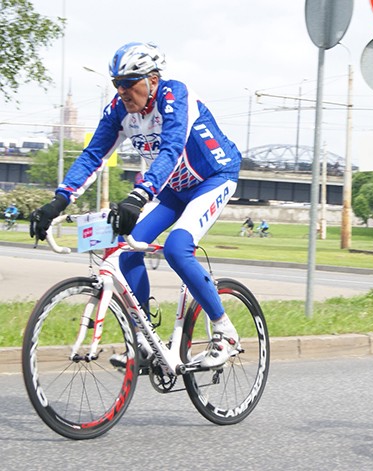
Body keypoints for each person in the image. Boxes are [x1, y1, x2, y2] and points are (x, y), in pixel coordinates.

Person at [29, 42, 242, 369]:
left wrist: (139, 195)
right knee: (124, 248)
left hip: (214, 178)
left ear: (153, 79)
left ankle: (225, 332)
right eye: (118, 83)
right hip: (174, 188)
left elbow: (171, 150)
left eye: (130, 82)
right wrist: (57, 201)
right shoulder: (120, 110)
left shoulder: (175, 96)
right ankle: (144, 339)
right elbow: (92, 156)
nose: (123, 90)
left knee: (176, 247)